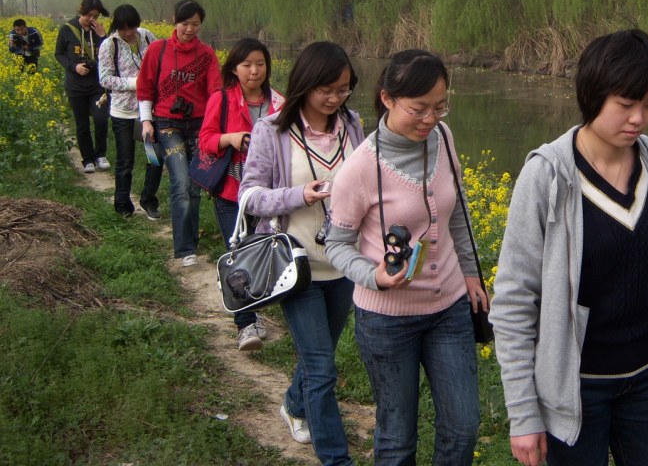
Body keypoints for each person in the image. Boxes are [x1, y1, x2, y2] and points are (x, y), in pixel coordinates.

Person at [489, 29, 648, 466]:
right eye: (625, 105)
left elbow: (647, 257)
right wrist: (524, 414)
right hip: (576, 387)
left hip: (647, 376)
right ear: (592, 96)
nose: (638, 118)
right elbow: (513, 301)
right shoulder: (547, 176)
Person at [325, 49, 487, 466]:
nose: (430, 119)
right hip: (386, 320)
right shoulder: (358, 170)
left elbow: (458, 213)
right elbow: (336, 245)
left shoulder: (444, 139)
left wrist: (470, 273)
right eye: (418, 109)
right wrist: (373, 275)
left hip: (449, 308)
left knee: (464, 426)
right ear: (387, 99)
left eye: (440, 106)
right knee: (397, 438)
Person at [237, 42, 363, 466]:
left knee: (320, 353)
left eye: (344, 89)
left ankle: (293, 405)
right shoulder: (272, 131)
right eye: (327, 89)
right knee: (322, 368)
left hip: (345, 263)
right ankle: (336, 458)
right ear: (305, 84)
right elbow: (250, 195)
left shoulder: (353, 125)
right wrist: (298, 195)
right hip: (296, 264)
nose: (336, 98)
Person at [198, 37, 284, 351]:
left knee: (261, 251)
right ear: (234, 68)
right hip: (231, 193)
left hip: (266, 195)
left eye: (260, 64)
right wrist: (231, 137)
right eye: (247, 65)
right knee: (237, 253)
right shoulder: (222, 99)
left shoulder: (279, 103)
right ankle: (245, 324)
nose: (254, 71)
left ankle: (255, 308)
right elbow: (206, 140)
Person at [137, 0, 220, 267]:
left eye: (195, 24)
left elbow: (215, 93)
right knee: (181, 183)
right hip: (167, 125)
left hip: (198, 126)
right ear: (175, 20)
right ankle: (183, 249)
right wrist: (146, 121)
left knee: (195, 187)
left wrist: (216, 126)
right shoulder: (157, 50)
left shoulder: (207, 55)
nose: (190, 29)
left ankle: (191, 240)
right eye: (185, 23)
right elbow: (145, 87)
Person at [97, 4, 163, 219]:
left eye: (132, 28)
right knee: (125, 161)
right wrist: (137, 83)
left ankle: (148, 200)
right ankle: (123, 204)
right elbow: (105, 79)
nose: (128, 33)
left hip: (150, 112)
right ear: (117, 27)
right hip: (123, 112)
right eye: (124, 28)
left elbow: (160, 64)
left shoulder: (147, 37)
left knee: (154, 158)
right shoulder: (110, 45)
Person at [54, 0, 111, 173]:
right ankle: (88, 159)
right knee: (82, 124)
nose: (92, 19)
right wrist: (74, 66)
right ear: (82, 11)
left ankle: (100, 154)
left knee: (101, 119)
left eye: (95, 16)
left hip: (97, 85)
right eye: (89, 15)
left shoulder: (98, 31)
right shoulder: (67, 29)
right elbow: (59, 54)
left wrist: (103, 37)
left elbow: (109, 54)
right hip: (75, 85)